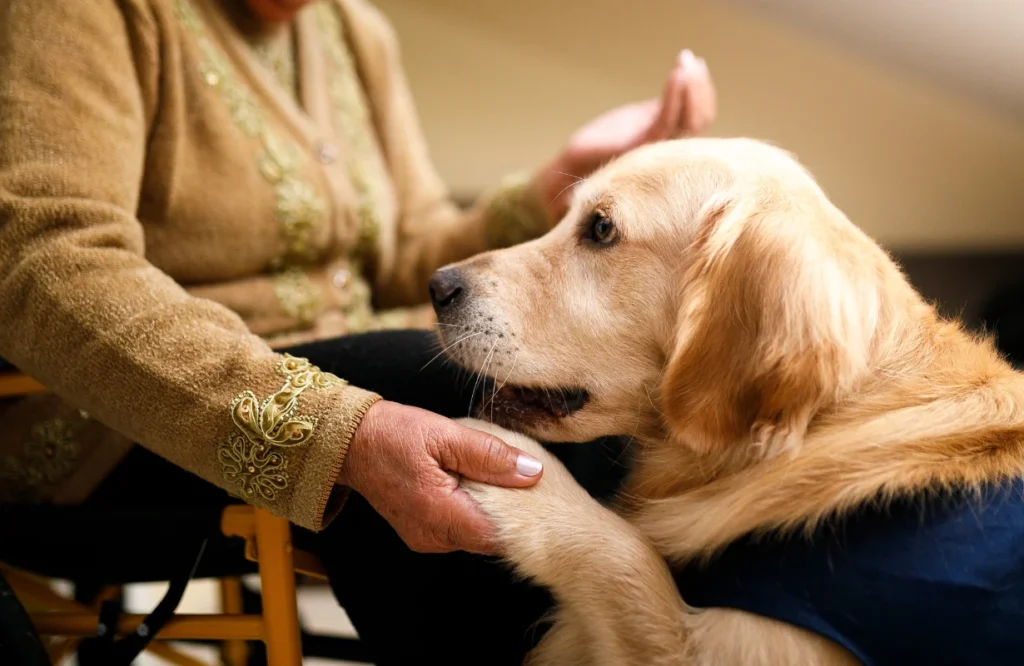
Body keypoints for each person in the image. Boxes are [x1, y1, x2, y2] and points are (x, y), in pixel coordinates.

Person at [0, 0, 716, 662]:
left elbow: (413, 252)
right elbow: (42, 261)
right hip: (117, 432)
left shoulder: (353, 31)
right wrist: (336, 431)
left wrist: (556, 179)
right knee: (462, 400)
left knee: (597, 407)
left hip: (357, 364)